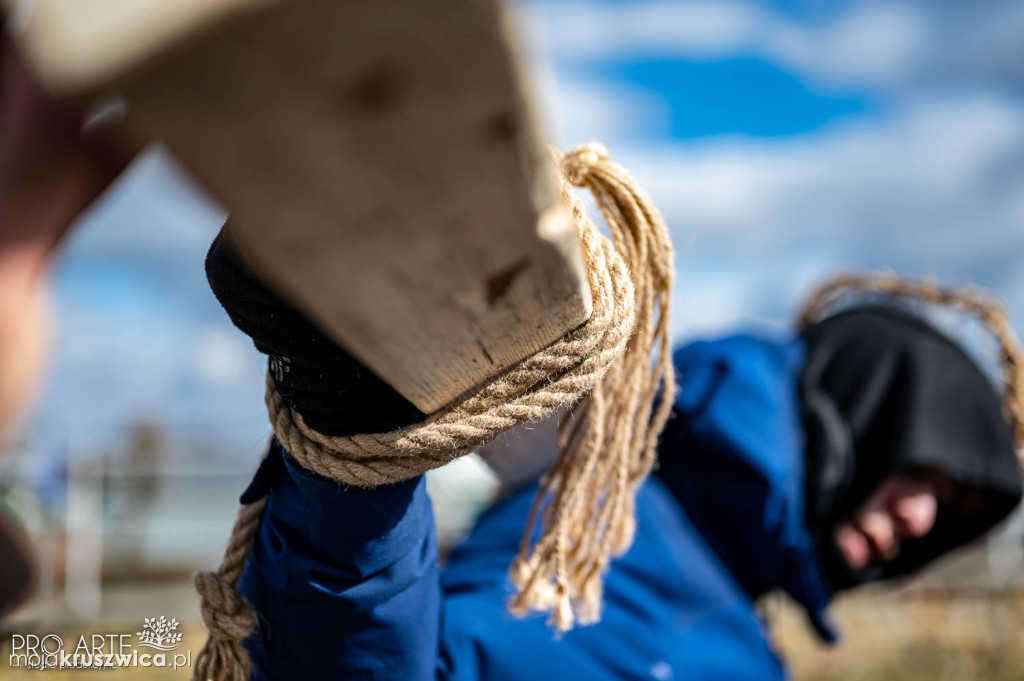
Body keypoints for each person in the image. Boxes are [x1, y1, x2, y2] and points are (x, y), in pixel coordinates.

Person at [205, 234, 1024, 680]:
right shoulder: (600, 517)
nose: (920, 517)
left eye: (946, 513)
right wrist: (356, 438)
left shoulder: (751, 631)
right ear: (854, 418)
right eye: (922, 472)